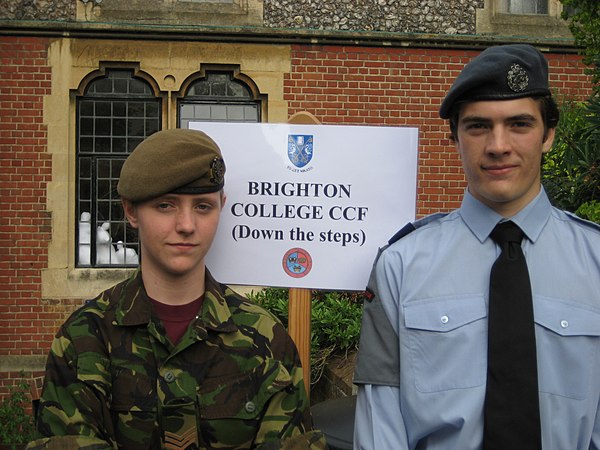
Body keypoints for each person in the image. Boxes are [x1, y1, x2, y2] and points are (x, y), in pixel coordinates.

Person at [353, 44, 600, 449]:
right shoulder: (401, 266)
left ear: (549, 135)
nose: (498, 145)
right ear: (454, 137)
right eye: (478, 126)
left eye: (519, 124)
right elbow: (381, 427)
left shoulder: (596, 262)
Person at [28, 129, 327, 450]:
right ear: (131, 211)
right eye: (166, 206)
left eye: (202, 206)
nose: (186, 225)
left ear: (222, 206)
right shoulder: (85, 339)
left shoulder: (266, 339)